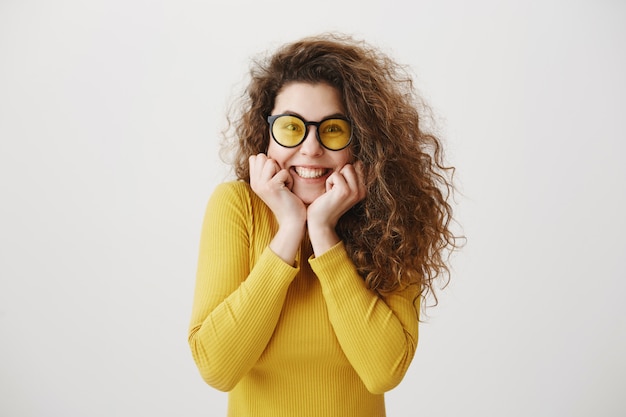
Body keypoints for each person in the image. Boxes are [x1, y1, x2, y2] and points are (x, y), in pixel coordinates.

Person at [188, 33, 460, 417]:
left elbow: (383, 371)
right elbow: (217, 367)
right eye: (291, 127)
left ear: (361, 139)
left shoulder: (395, 216)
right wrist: (288, 232)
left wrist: (323, 234)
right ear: (267, 134)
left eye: (332, 128)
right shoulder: (237, 207)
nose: (311, 148)